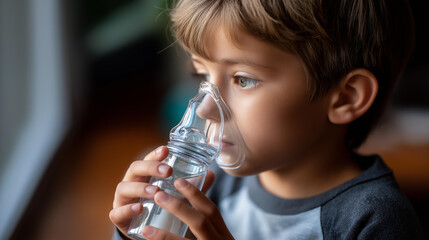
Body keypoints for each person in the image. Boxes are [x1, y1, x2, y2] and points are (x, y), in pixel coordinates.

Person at [110, 0, 423, 239]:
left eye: (243, 80)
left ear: (346, 98)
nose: (204, 108)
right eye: (202, 74)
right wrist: (137, 229)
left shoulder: (376, 221)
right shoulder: (213, 183)